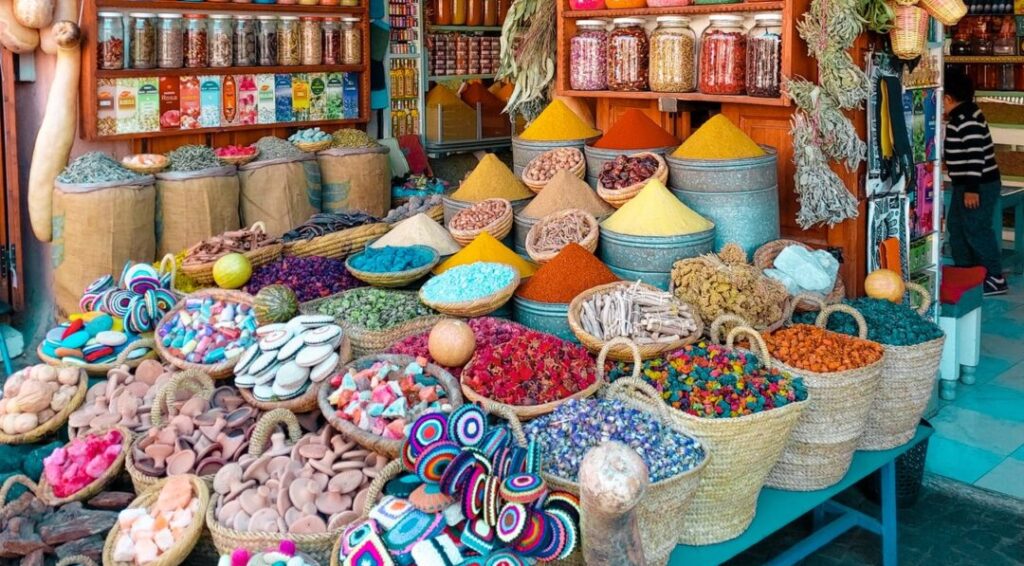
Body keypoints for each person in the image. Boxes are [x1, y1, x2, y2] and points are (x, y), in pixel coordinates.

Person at [944, 68, 1007, 296]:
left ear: (947, 98)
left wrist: (972, 189)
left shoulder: (966, 119)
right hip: (965, 185)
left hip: (978, 186)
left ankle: (994, 276)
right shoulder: (962, 116)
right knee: (957, 227)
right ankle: (967, 273)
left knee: (976, 229)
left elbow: (975, 155)